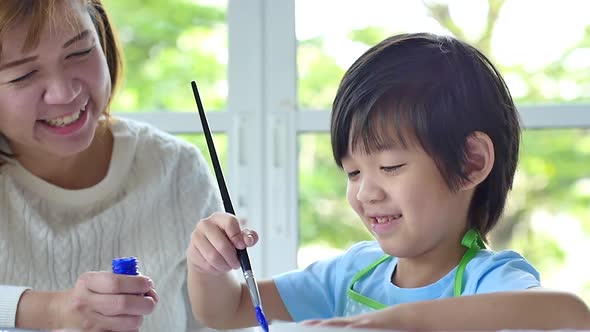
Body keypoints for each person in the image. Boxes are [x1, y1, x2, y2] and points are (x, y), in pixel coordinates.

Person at [187, 32, 590, 330]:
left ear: (471, 162)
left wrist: (395, 322)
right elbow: (229, 309)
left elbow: (570, 315)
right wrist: (206, 265)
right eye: (353, 172)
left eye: (391, 166)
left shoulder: (489, 280)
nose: (366, 192)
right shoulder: (353, 273)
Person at [0, 0, 222, 331]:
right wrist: (48, 309)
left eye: (79, 53)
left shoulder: (176, 170)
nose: (65, 93)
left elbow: (221, 321)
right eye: (25, 74)